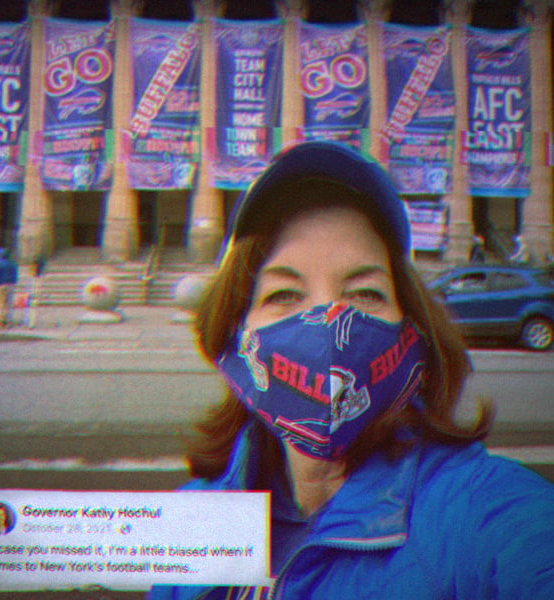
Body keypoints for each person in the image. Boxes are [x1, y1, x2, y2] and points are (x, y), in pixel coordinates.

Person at [147, 142, 554, 599]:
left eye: (363, 293)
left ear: (412, 331)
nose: (329, 323)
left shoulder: (483, 509)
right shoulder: (191, 518)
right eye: (284, 295)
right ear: (234, 336)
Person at [0, 248, 18, 328]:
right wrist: (13, 283)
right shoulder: (12, 264)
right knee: (8, 303)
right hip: (10, 285)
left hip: (1, 285)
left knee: (1, 304)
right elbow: (15, 275)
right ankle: (8, 321)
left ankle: (0, 322)